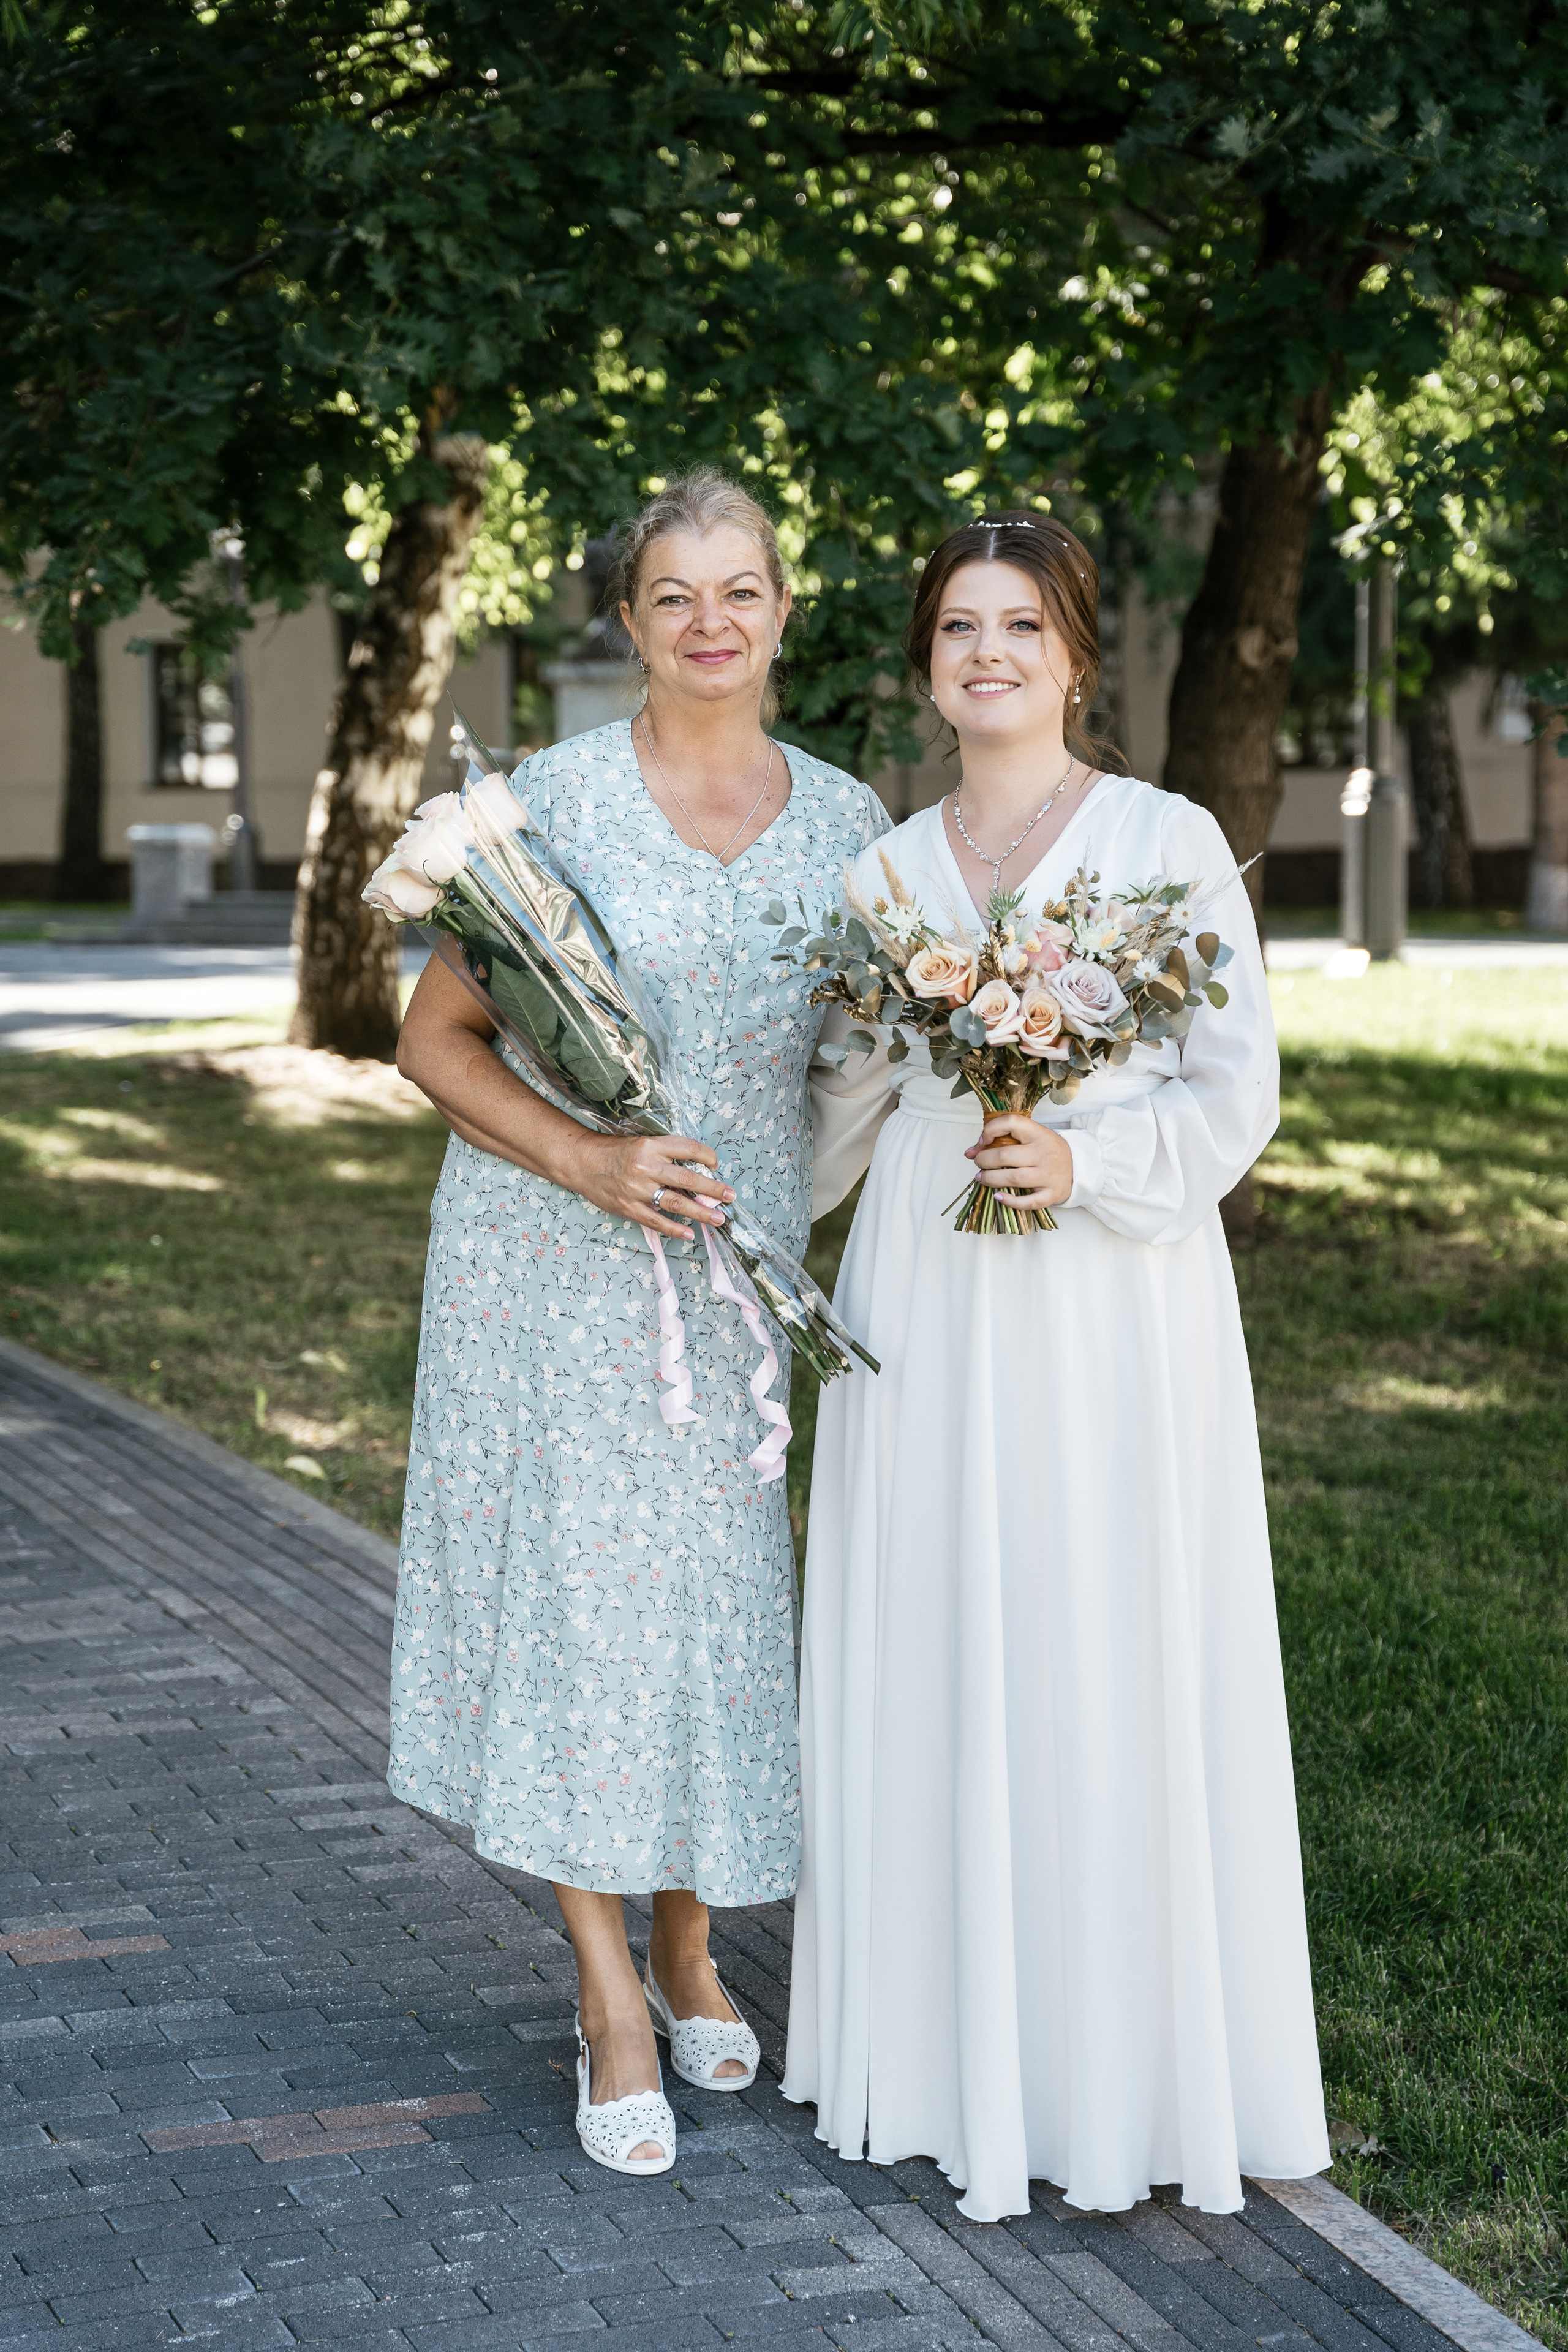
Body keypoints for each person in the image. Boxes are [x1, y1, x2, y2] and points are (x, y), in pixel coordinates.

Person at [783, 511, 1330, 2222]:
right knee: (936, 1626)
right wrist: (687, 1187)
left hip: (1112, 1305)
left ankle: (1115, 2071)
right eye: (960, 627)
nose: (990, 654)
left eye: (1023, 624)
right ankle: (938, 2055)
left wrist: (1086, 1169)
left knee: (1102, 1638)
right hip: (927, 1299)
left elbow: (1236, 1093)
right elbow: (843, 1108)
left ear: (1081, 652)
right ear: (927, 658)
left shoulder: (1169, 844)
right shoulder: (881, 873)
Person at [391, 467, 888, 2176]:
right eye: (673, 595)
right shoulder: (555, 799)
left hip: (731, 1271)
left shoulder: (846, 819)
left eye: (739, 589)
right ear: (627, 622)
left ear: (782, 607)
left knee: (714, 1614)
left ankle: (692, 1943)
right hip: (552, 1259)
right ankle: (608, 1985)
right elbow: (434, 1039)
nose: (709, 623)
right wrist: (588, 1161)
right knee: (584, 1621)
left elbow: (869, 1060)